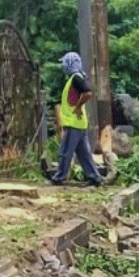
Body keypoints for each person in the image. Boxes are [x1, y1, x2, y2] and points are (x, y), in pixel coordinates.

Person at [49, 51, 104, 186]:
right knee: (84, 155)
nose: (63, 66)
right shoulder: (75, 78)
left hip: (73, 123)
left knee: (65, 152)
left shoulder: (76, 78)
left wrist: (78, 106)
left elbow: (88, 93)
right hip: (79, 123)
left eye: (65, 64)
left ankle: (59, 177)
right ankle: (95, 178)